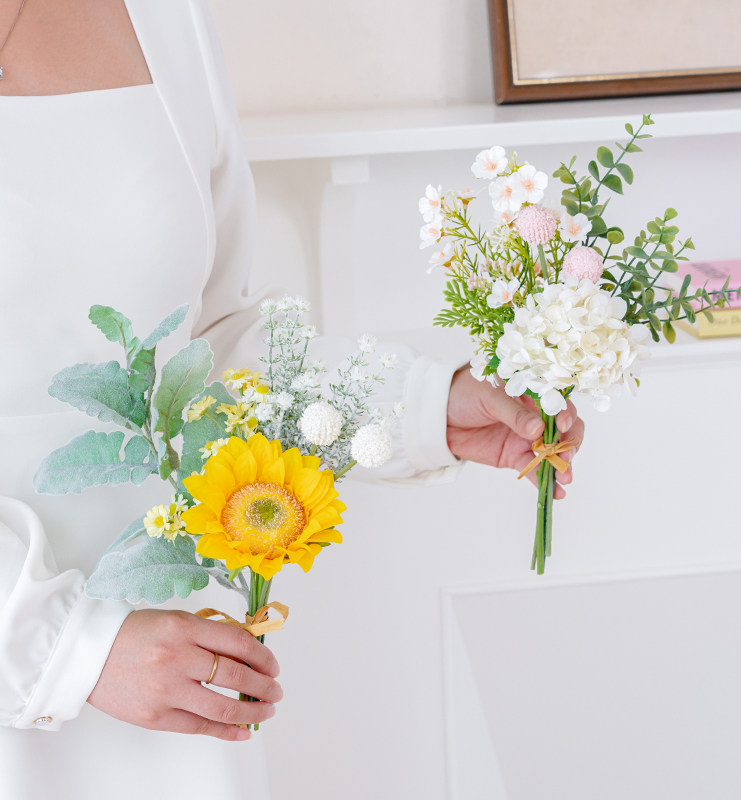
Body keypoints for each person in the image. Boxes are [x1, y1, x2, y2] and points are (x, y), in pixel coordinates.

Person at [0, 0, 583, 796]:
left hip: (174, 671)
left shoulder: (166, 20)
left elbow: (212, 343)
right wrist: (67, 648)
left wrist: (420, 405)